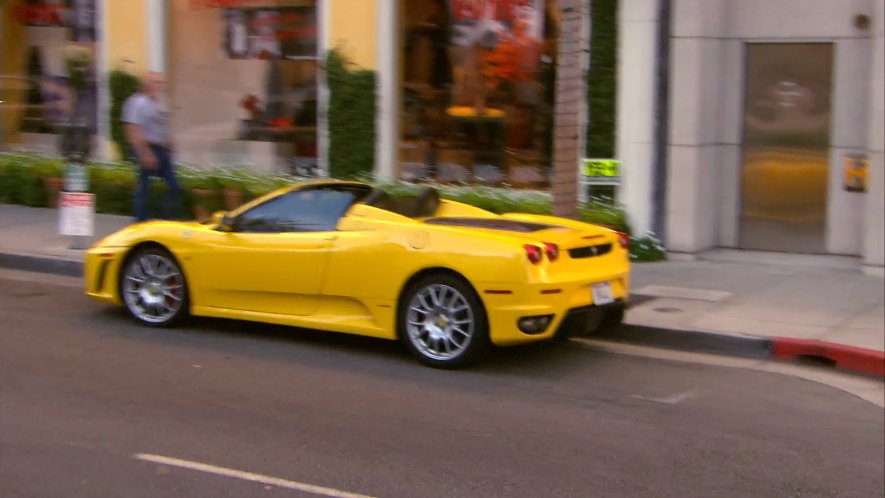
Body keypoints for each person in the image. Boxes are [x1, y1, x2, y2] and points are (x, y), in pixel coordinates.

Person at [122, 71, 180, 222]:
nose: (159, 86)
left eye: (161, 83)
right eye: (155, 82)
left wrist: (169, 144)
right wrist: (144, 153)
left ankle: (166, 219)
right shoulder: (137, 103)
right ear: (146, 84)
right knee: (144, 188)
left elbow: (161, 127)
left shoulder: (158, 103)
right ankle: (140, 221)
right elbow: (133, 129)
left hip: (160, 148)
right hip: (146, 148)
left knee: (173, 186)